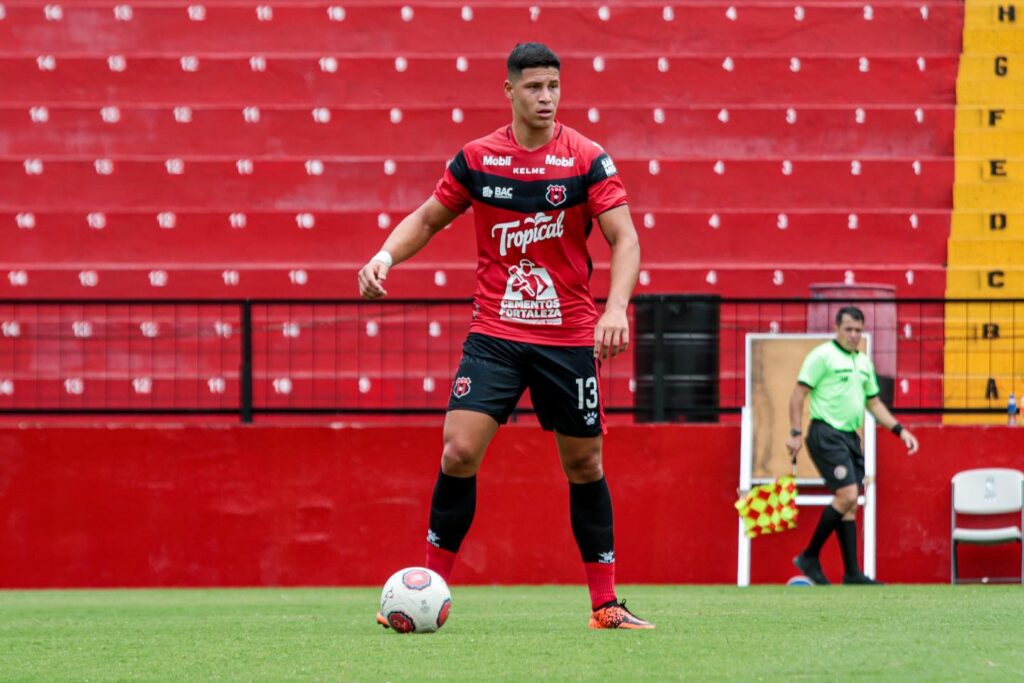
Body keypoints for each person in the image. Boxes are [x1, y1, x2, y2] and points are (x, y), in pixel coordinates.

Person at [358, 43, 653, 629]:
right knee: (458, 451)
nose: (546, 98)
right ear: (510, 90)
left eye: (554, 87)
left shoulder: (587, 159)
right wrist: (385, 256)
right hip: (494, 334)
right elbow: (427, 218)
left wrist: (615, 308)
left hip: (567, 338)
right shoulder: (477, 159)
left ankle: (605, 604)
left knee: (585, 465)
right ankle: (425, 587)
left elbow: (625, 239)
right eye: (535, 87)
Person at [786, 306, 920, 585]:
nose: (853, 335)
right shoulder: (822, 356)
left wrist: (899, 430)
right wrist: (796, 432)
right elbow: (798, 394)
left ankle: (852, 573)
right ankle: (809, 555)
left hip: (849, 437)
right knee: (847, 494)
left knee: (850, 504)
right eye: (848, 329)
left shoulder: (863, 363)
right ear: (837, 329)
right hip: (825, 433)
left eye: (858, 330)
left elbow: (873, 403)